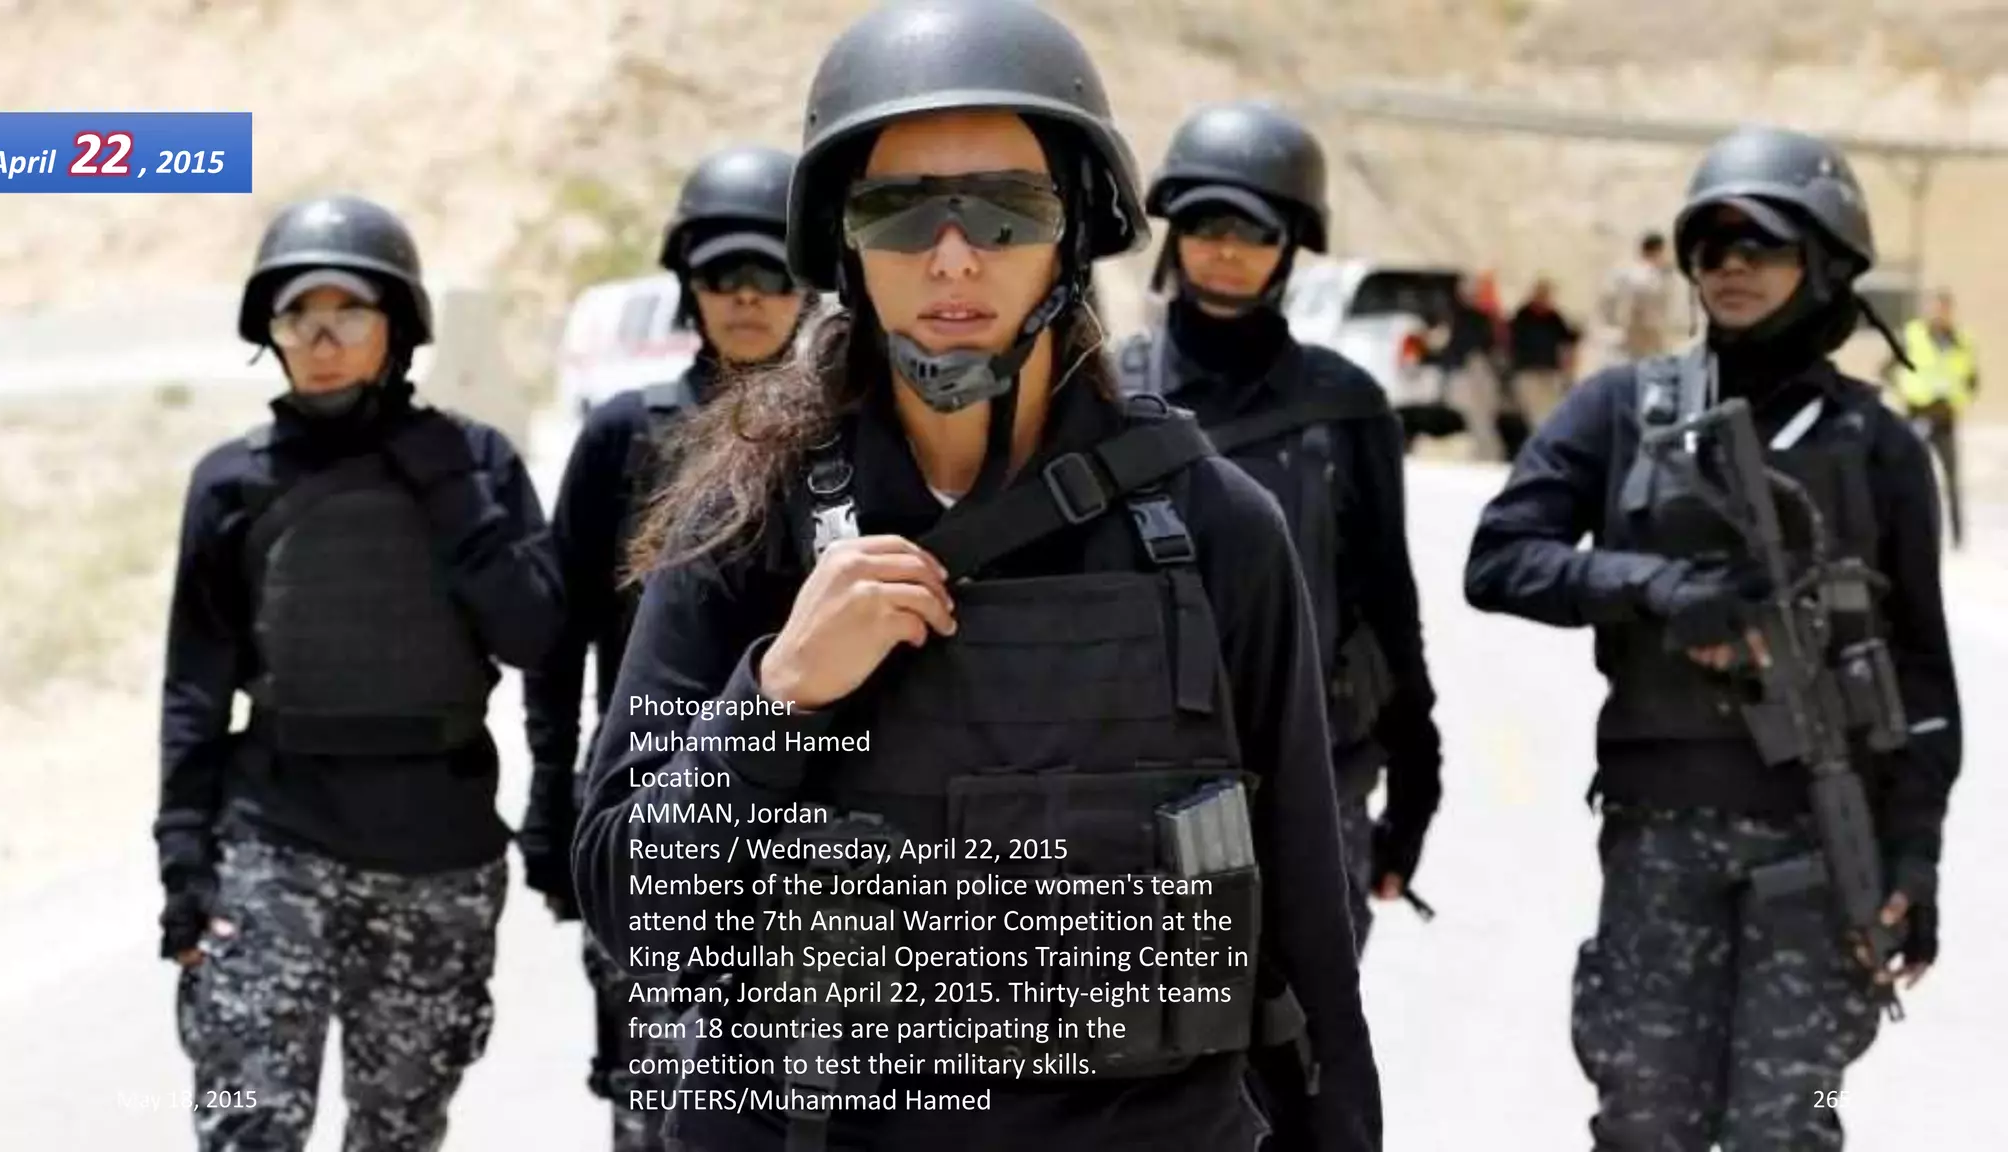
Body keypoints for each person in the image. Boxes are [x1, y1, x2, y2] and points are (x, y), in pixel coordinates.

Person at [570, 3, 1382, 1150]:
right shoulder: (745, 522)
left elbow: (1305, 941)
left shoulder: (1210, 529)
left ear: (1073, 232)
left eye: (1006, 208)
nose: (952, 255)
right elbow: (631, 909)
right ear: (844, 243)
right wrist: (777, 699)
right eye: (900, 210)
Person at [1465, 126, 1960, 1150]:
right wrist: (1655, 589)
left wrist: (1915, 859)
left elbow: (1922, 677)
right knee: (1643, 1120)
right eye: (1711, 245)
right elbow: (1500, 559)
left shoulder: (1877, 446)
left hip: (1823, 844)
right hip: (1660, 836)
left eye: (1762, 244)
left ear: (1824, 262)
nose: (1731, 266)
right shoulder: (1623, 409)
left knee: (1801, 1117)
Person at [157, 194, 565, 1150]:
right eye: (297, 316)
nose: (321, 340)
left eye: (348, 314)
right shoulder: (231, 483)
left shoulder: (475, 464)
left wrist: (451, 495)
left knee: (399, 1132)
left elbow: (536, 636)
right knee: (240, 1121)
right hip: (274, 844)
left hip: (436, 852)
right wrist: (183, 868)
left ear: (399, 327)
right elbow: (194, 690)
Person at [520, 143, 815, 1151]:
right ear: (688, 288)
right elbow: (557, 637)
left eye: (769, 272)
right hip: (657, 810)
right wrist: (552, 800)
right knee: (653, 1108)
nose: (746, 297)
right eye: (722, 275)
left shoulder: (853, 441)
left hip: (812, 823)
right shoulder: (624, 435)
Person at [1115, 99, 1444, 956]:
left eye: (1253, 230)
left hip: (1313, 785)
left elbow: (1388, 600)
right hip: (1133, 787)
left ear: (1292, 244)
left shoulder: (1346, 409)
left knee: (1306, 1033)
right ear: (1174, 235)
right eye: (1205, 224)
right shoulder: (1103, 396)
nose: (1226, 249)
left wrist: (1416, 780)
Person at [1885, 288, 1978, 548]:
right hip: (1917, 414)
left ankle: (1958, 540)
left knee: (1952, 480)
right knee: (1913, 479)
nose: (1939, 313)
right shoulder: (1912, 336)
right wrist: (1905, 391)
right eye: (1935, 308)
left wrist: (1962, 398)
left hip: (1945, 416)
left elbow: (1972, 379)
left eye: (1944, 308)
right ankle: (1911, 533)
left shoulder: (1961, 340)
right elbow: (1888, 369)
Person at [1434, 271, 1506, 461]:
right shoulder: (1452, 315)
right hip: (1464, 370)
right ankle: (1484, 452)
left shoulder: (1478, 317)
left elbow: (1488, 345)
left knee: (1482, 414)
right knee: (1473, 414)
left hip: (1476, 368)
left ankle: (1488, 452)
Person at [1506, 277, 1582, 432]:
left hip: (1549, 372)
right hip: (1528, 372)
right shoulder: (1522, 316)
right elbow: (1512, 343)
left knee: (1551, 411)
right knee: (1536, 414)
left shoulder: (1554, 318)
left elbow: (1567, 339)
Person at [1599, 231, 1673, 362]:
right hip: (1642, 337)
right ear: (1658, 251)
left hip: (1625, 338)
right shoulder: (1651, 277)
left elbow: (1607, 303)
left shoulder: (1624, 273)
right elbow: (1650, 314)